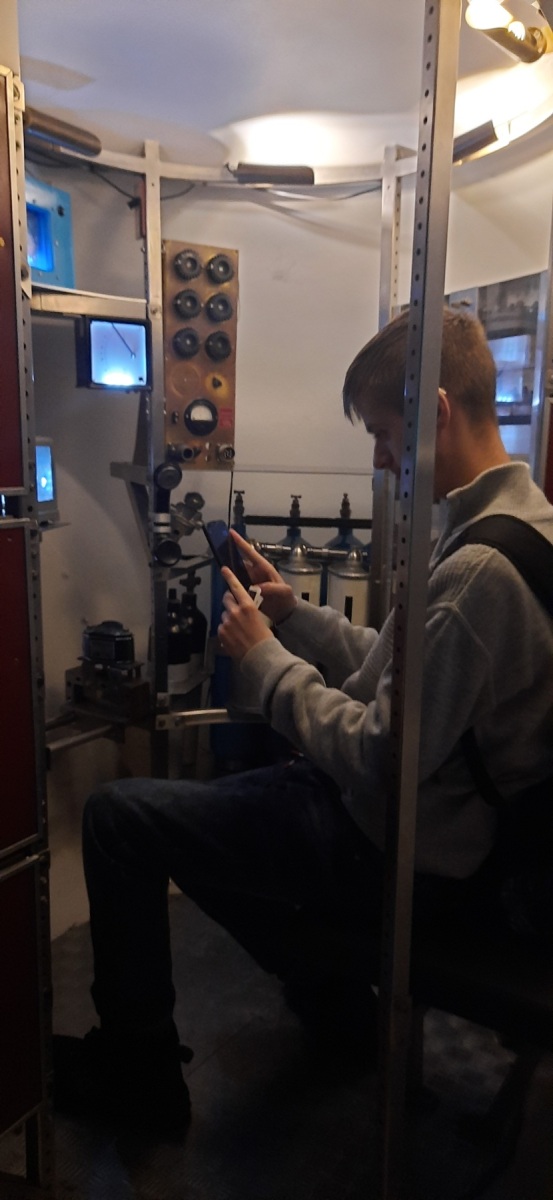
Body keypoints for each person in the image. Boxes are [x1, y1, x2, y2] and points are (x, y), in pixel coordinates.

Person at [53, 307, 553, 1139]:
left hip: (402, 856)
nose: (381, 458)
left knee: (117, 820)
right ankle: (334, 1002)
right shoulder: (517, 528)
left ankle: (140, 1075)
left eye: (385, 434)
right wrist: (293, 618)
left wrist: (264, 663)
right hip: (446, 835)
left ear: (435, 412)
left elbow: (380, 754)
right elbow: (404, 674)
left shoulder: (476, 573)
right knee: (225, 822)